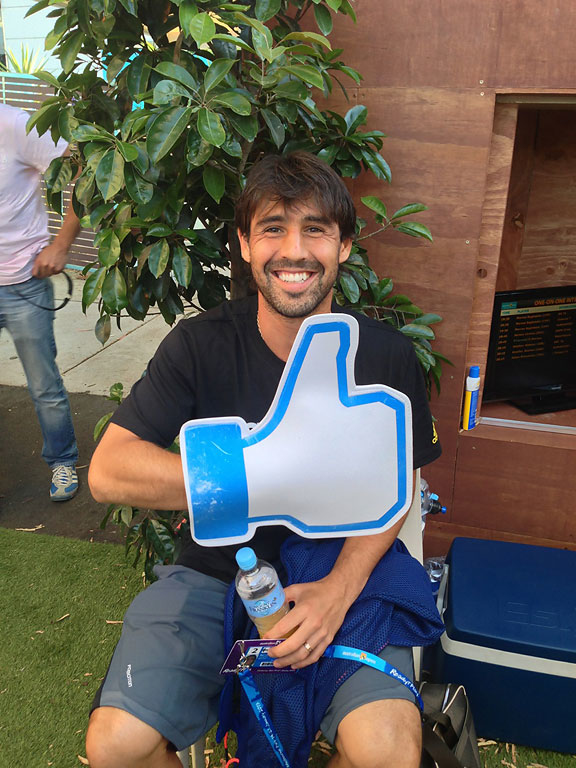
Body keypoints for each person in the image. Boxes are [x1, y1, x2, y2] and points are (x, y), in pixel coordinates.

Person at [86, 151, 442, 768]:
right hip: (216, 572)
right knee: (116, 746)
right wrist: (260, 476)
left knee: (386, 753)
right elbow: (107, 471)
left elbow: (398, 485)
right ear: (247, 245)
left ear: (344, 246)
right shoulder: (200, 346)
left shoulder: (386, 358)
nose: (294, 251)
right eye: (273, 228)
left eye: (316, 230)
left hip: (341, 567)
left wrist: (339, 590)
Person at [0, 103, 81, 500]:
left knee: (44, 386)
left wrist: (62, 245)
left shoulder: (16, 125)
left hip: (23, 283)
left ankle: (62, 462)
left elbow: (86, 170)